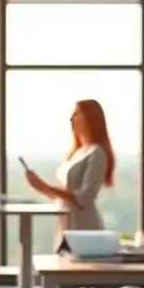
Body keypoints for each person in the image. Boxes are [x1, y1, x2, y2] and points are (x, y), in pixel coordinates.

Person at [24, 99, 115, 251]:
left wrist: (45, 186)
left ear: (90, 118)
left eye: (77, 114)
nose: (71, 118)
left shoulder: (96, 152)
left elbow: (84, 197)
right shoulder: (77, 152)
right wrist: (39, 185)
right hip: (65, 226)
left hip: (83, 229)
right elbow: (63, 194)